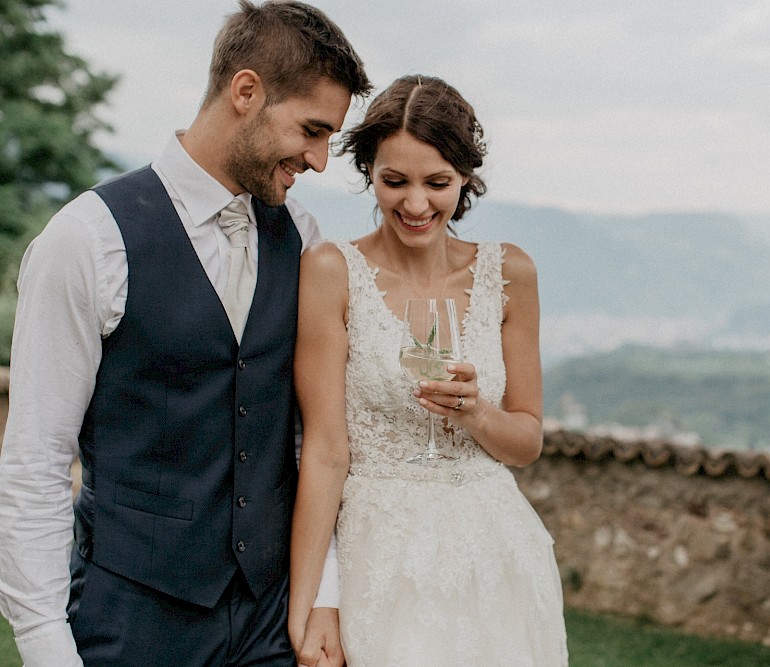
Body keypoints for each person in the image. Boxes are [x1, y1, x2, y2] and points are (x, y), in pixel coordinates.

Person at [0, 2, 371, 665]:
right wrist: (45, 644)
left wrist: (326, 593)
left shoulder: (307, 242)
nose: (318, 159)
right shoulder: (87, 239)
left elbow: (313, 438)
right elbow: (35, 461)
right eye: (311, 130)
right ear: (246, 91)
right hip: (130, 621)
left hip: (267, 621)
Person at [289, 74, 569, 666]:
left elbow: (526, 442)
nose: (415, 204)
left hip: (497, 557)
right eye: (395, 181)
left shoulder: (511, 272)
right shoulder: (330, 270)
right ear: (370, 174)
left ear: (465, 177)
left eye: (436, 183)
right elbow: (324, 452)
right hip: (381, 558)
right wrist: (311, 601)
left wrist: (476, 413)